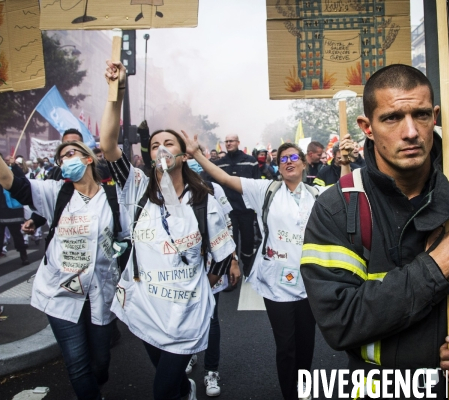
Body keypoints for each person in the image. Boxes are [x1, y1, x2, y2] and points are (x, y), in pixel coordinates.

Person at [301, 64, 449, 397]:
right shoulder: (338, 207)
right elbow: (340, 321)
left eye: (421, 115)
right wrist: (433, 270)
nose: (410, 131)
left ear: (436, 116)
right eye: (392, 118)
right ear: (367, 127)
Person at [101, 60, 235, 400]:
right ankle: (184, 390)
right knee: (169, 379)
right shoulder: (137, 189)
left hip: (187, 311)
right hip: (146, 307)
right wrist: (113, 94)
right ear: (148, 154)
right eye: (156, 143)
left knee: (161, 391)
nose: (162, 147)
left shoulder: (203, 199)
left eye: (170, 143)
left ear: (183, 154)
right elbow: (107, 145)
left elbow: (221, 255)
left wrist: (202, 289)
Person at [183, 131, 352, 400]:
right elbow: (225, 178)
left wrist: (345, 161)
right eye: (283, 158)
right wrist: (197, 155)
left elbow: (345, 191)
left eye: (294, 156)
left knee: (305, 344)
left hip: (309, 283)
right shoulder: (266, 190)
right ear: (278, 165)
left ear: (303, 163)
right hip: (276, 284)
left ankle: (303, 387)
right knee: (286, 345)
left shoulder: (317, 193)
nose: (289, 161)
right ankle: (290, 395)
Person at [0, 119, 127, 400]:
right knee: (77, 365)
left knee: (100, 363)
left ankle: (95, 388)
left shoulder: (113, 197)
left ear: (88, 159)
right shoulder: (55, 192)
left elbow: (128, 237)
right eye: (60, 157)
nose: (64, 161)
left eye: (70, 154)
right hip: (60, 293)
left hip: (100, 293)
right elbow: (10, 181)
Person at [185, 157, 242, 396]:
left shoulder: (213, 189)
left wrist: (233, 260)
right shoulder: (169, 191)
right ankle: (189, 355)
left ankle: (211, 370)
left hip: (211, 266)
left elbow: (226, 225)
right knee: (186, 317)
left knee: (211, 318)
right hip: (182, 271)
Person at [211, 134, 261, 279]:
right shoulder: (220, 163)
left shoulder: (251, 162)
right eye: (226, 141)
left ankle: (247, 268)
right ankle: (231, 272)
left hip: (246, 210)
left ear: (238, 142)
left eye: (231, 141)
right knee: (231, 242)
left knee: (248, 241)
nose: (228, 143)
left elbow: (257, 184)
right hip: (228, 211)